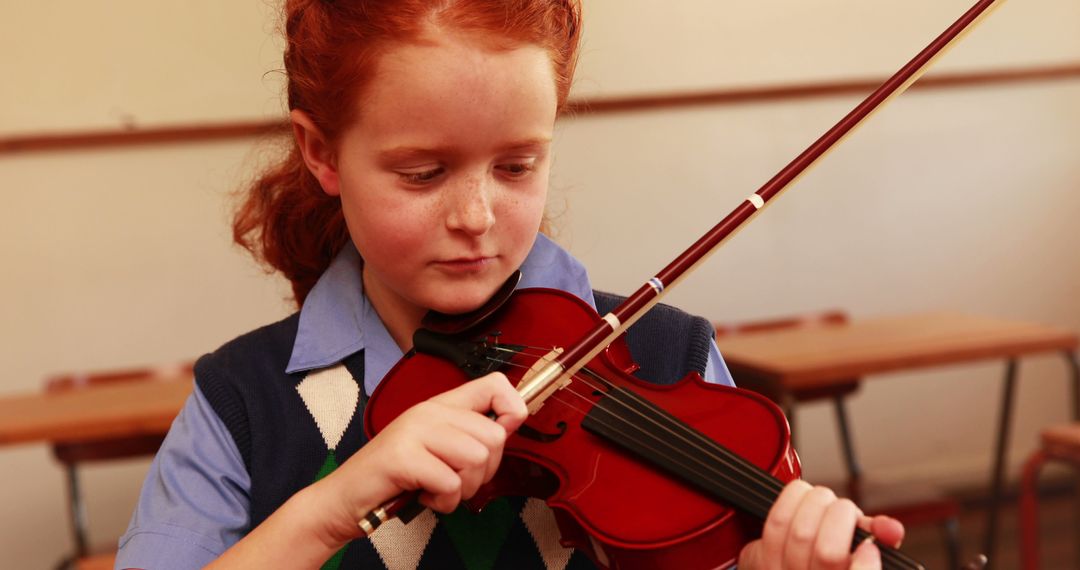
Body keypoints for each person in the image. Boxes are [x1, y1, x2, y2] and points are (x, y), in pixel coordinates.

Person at [116, 1, 903, 568]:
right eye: (423, 173)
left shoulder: (669, 356)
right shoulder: (242, 403)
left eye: (517, 166)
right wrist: (333, 506)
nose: (476, 214)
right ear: (321, 151)